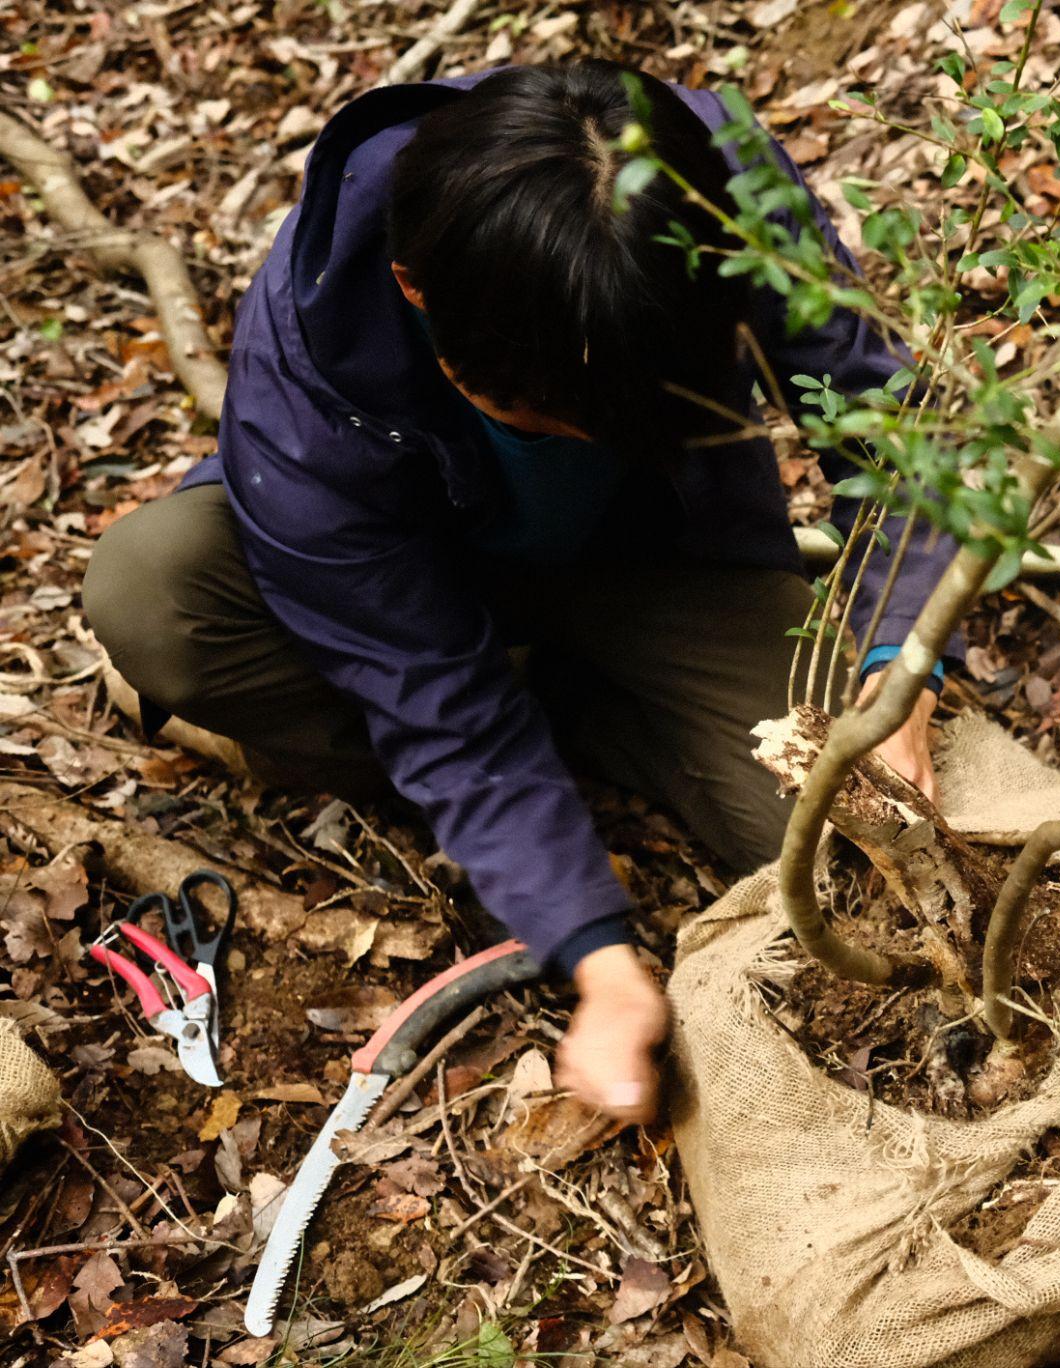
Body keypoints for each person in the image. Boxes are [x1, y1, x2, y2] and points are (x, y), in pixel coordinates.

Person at [83, 63, 952, 1128]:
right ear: (415, 290)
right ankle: (541, 738)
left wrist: (898, 661)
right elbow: (428, 699)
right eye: (550, 416)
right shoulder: (313, 353)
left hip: (655, 567)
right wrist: (597, 955)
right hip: (422, 593)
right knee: (153, 591)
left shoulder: (714, 179)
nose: (586, 436)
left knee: (842, 835)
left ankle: (582, 714)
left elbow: (890, 430)